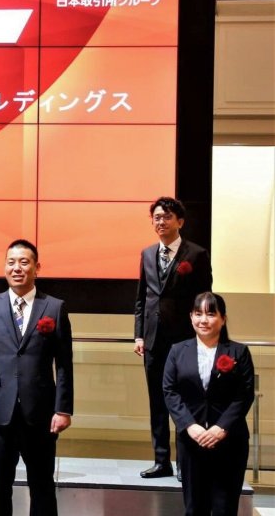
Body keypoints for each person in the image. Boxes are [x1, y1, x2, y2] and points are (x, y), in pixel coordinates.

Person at [0, 239, 73, 516]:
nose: (17, 268)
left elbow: (64, 364)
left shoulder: (54, 307)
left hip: (41, 412)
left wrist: (63, 409)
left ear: (37, 268)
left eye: (24, 262)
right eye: (11, 262)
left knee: (42, 486)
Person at [134, 196, 212, 479]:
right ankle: (161, 461)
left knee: (185, 401)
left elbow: (204, 299)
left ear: (180, 221)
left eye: (166, 217)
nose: (161, 222)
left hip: (184, 340)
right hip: (153, 340)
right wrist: (138, 335)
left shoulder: (196, 254)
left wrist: (201, 335)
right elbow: (142, 299)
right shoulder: (147, 254)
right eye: (156, 217)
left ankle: (184, 463)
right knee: (156, 401)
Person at [163, 293, 254, 516]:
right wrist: (190, 426)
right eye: (198, 314)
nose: (203, 320)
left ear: (223, 319)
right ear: (191, 317)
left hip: (229, 441)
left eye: (211, 314)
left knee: (225, 508)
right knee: (195, 508)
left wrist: (221, 428)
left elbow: (244, 395)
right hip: (191, 441)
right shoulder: (177, 351)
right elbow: (170, 391)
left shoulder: (239, 352)